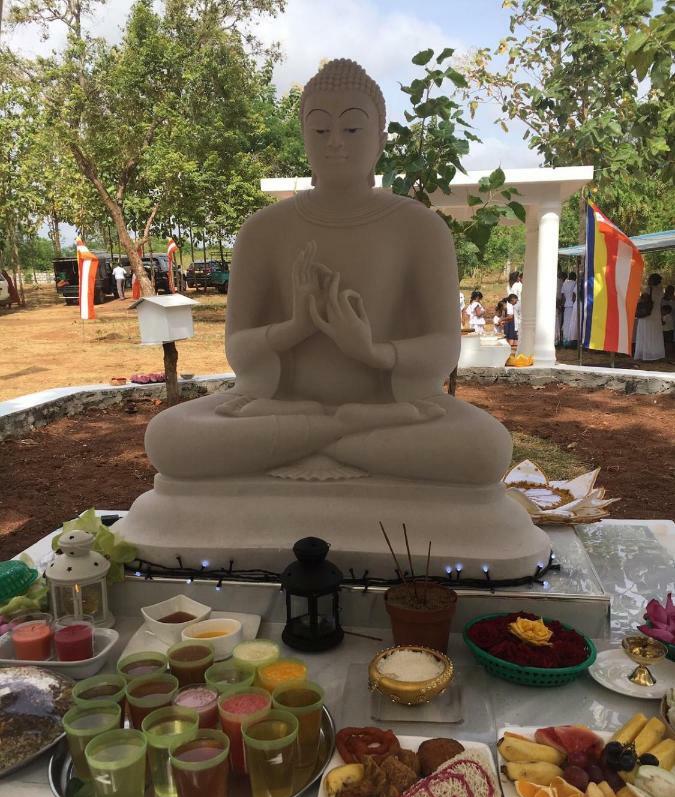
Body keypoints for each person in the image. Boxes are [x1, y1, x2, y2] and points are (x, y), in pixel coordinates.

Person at [143, 58, 512, 485]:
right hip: (295, 407)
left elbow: (444, 347)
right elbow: (239, 353)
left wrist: (373, 352)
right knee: (169, 438)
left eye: (352, 129)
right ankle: (343, 435)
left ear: (380, 138)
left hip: (382, 408)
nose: (335, 142)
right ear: (304, 137)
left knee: (486, 449)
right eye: (320, 130)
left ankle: (310, 436)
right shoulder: (263, 230)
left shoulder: (419, 227)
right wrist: (296, 327)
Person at [635, 273, 665, 361]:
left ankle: (645, 355)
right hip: (656, 315)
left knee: (645, 334)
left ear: (652, 280)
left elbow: (642, 301)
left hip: (647, 316)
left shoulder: (648, 290)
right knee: (655, 336)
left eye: (649, 279)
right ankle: (655, 354)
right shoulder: (660, 290)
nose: (648, 280)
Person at [561, 271, 578, 346]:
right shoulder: (574, 283)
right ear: (574, 277)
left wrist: (562, 304)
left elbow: (563, 296)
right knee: (572, 323)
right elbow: (574, 296)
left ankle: (565, 341)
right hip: (572, 305)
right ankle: (571, 341)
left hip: (566, 305)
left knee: (566, 323)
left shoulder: (564, 283)